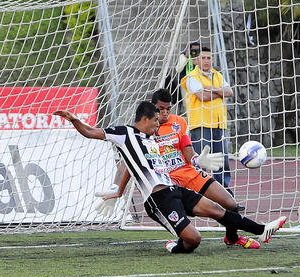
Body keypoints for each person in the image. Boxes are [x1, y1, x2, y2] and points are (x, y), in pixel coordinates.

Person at [53, 102, 286, 254]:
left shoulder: (152, 139)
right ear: (144, 119)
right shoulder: (124, 134)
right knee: (193, 240)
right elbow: (93, 134)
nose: (158, 125)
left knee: (218, 210)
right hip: (157, 200)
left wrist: (197, 161)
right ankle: (175, 246)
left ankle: (262, 230)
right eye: (156, 121)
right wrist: (74, 119)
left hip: (175, 189)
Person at [102, 89, 258, 248]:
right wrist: (116, 188)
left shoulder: (178, 123)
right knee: (186, 212)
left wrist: (198, 159)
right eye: (160, 109)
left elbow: (187, 149)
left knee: (230, 203)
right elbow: (127, 163)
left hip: (190, 172)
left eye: (168, 109)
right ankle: (183, 240)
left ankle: (232, 238)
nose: (164, 113)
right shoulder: (143, 131)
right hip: (169, 180)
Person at [180, 47, 234, 194]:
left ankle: (225, 194)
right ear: (197, 60)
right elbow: (201, 97)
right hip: (201, 125)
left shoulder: (217, 75)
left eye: (209, 58)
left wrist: (211, 88)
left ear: (212, 59)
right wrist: (219, 92)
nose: (206, 61)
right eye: (203, 58)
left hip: (219, 124)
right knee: (200, 161)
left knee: (222, 161)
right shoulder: (192, 77)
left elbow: (230, 92)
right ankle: (199, 193)